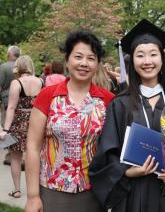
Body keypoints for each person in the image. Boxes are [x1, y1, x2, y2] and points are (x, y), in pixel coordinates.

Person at [89, 19, 165, 212]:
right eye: (140, 55)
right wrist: (127, 171)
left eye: (153, 54)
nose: (147, 61)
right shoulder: (120, 104)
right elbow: (107, 150)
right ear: (132, 62)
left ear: (162, 60)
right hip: (132, 192)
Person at [25, 30, 115, 212]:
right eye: (78, 56)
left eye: (91, 58)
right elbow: (32, 147)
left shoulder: (108, 100)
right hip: (52, 190)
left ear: (97, 64)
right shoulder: (48, 96)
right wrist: (33, 196)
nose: (84, 63)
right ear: (67, 61)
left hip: (94, 192)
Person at [0, 55, 43, 198]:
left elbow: (11, 108)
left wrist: (5, 129)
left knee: (16, 158)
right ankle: (37, 189)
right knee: (36, 155)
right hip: (37, 121)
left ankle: (17, 190)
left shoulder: (16, 83)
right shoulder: (41, 81)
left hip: (19, 123)